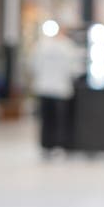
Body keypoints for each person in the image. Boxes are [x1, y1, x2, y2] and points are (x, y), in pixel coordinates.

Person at [31, 21, 84, 154]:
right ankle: (60, 145)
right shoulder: (68, 47)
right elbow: (75, 69)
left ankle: (47, 145)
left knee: (46, 119)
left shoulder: (41, 45)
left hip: (44, 87)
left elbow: (33, 65)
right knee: (60, 119)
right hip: (61, 89)